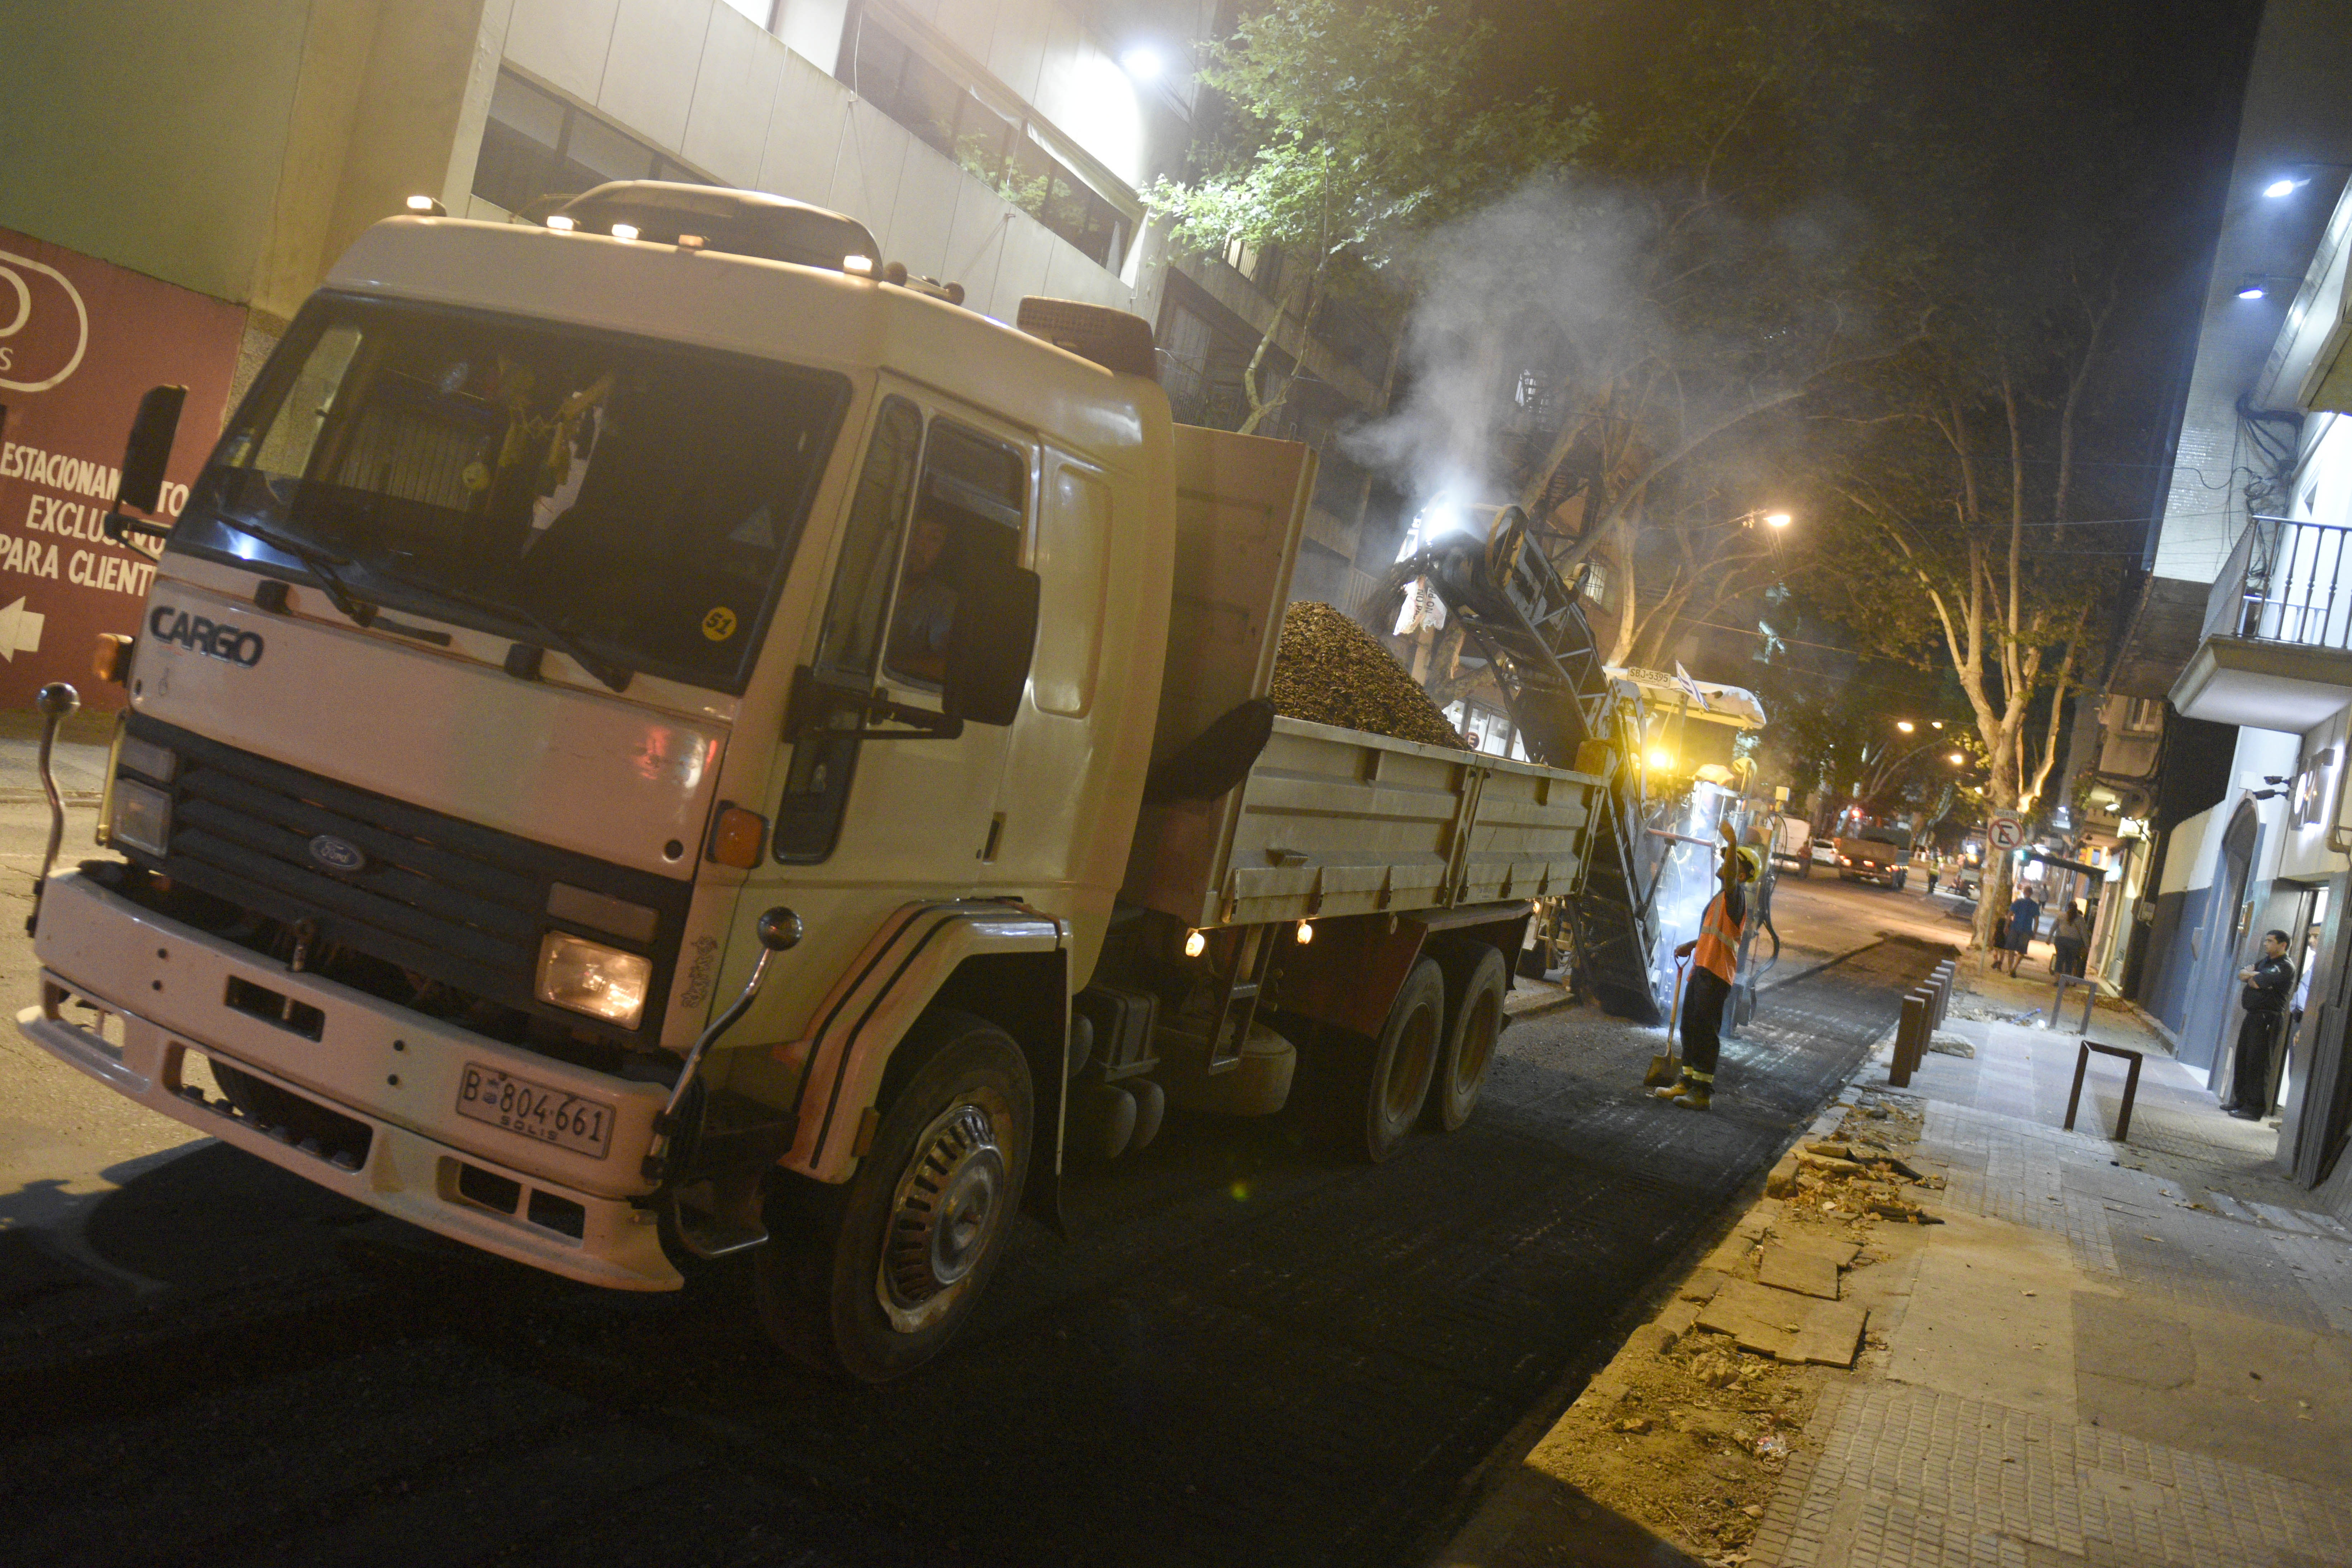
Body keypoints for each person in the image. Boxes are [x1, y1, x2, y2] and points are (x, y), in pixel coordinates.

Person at [1650, 825, 1760, 1113]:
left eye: (1731, 862)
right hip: (1702, 968)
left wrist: (1734, 841)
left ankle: (1702, 1092)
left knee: (1705, 1032)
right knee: (1689, 1027)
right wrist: (1692, 944)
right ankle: (1687, 1082)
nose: (1725, 865)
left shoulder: (1735, 898)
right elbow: (1713, 933)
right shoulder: (1719, 900)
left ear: (1741, 874)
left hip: (1717, 973)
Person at [2224, 929, 2295, 1121]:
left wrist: (2252, 975)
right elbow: (2241, 974)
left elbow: (2256, 982)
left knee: (2258, 1062)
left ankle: (2254, 1108)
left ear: (2283, 945)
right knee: (2244, 1057)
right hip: (2253, 1016)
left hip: (2267, 1019)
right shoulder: (2265, 963)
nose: (2266, 944)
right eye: (2266, 940)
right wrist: (2250, 974)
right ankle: (2241, 1101)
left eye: (2271, 941)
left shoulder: (2284, 966)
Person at [885, 508, 958, 682]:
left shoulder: (943, 602)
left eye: (933, 539)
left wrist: (886, 664)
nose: (918, 545)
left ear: (942, 551)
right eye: (914, 531)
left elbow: (945, 666)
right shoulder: (869, 578)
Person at [2002, 887, 2042, 974]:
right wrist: (2034, 932)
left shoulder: (2018, 902)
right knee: (2022, 951)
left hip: (2015, 928)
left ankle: (2010, 969)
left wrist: (2006, 926)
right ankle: (2015, 969)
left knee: (2011, 949)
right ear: (2031, 894)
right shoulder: (2035, 906)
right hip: (2027, 930)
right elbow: (2037, 920)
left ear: (2024, 893)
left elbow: (2010, 915)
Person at [2052, 901, 2089, 978]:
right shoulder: (2080, 919)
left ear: (2068, 907)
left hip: (2061, 941)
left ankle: (2057, 979)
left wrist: (2049, 938)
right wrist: (2087, 946)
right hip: (2074, 943)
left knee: (2060, 960)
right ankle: (2066, 980)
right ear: (2077, 908)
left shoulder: (2061, 916)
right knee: (2070, 961)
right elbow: (2084, 934)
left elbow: (2054, 927)